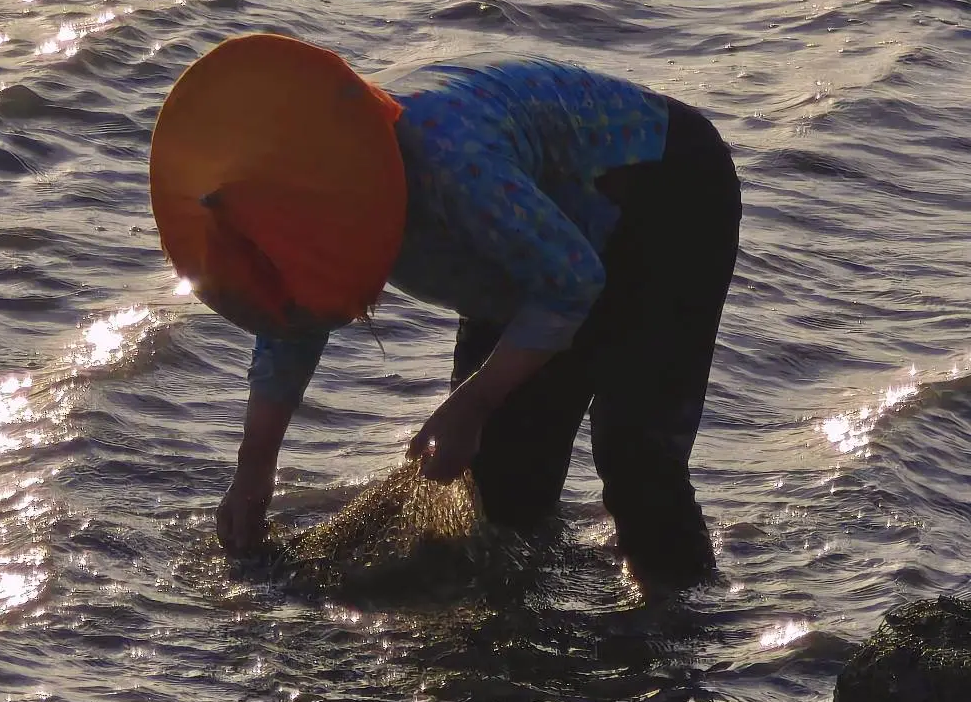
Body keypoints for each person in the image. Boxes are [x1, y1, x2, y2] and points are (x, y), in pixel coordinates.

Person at [150, 33, 741, 589]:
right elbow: (292, 317)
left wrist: (472, 401)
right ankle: (521, 654)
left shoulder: (452, 166)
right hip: (526, 251)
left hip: (663, 194)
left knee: (636, 457)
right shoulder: (300, 200)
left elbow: (572, 284)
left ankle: (679, 633)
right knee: (501, 483)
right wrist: (254, 472)